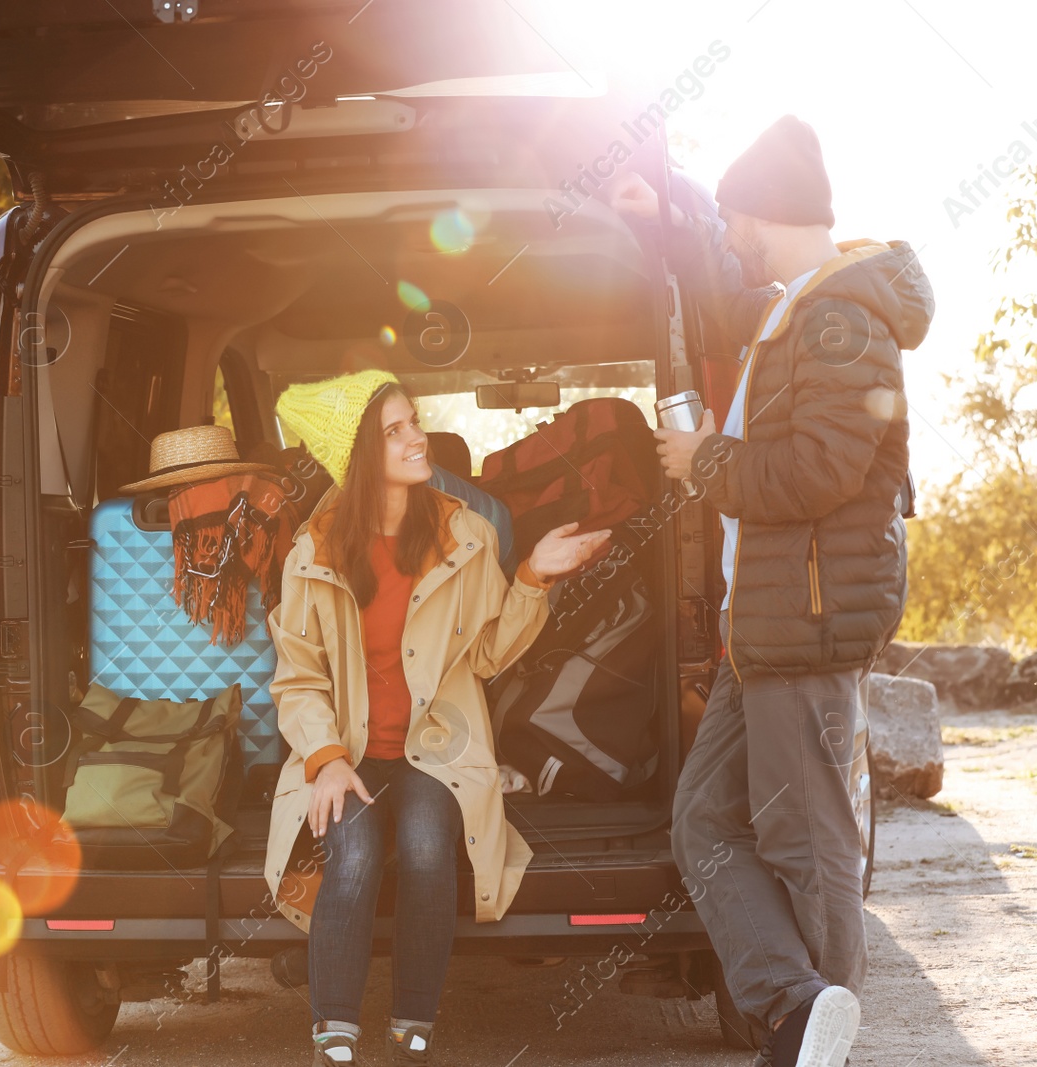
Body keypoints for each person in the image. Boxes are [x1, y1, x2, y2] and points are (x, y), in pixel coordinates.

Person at [611, 116, 934, 1067]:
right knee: (704, 817)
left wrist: (703, 459)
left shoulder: (838, 318)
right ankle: (798, 1012)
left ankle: (814, 1038)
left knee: (809, 841)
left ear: (766, 212)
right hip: (765, 627)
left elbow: (817, 473)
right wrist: (662, 208)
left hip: (807, 622)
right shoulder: (795, 306)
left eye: (732, 215)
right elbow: (715, 268)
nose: (730, 233)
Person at [261, 370, 611, 1066]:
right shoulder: (312, 553)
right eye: (395, 430)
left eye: (413, 421)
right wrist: (325, 759)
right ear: (358, 456)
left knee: (426, 847)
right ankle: (333, 1030)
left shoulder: (467, 535)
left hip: (437, 747)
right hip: (348, 748)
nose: (418, 437)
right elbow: (297, 677)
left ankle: (412, 1022)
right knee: (353, 854)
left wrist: (533, 578)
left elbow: (484, 656)